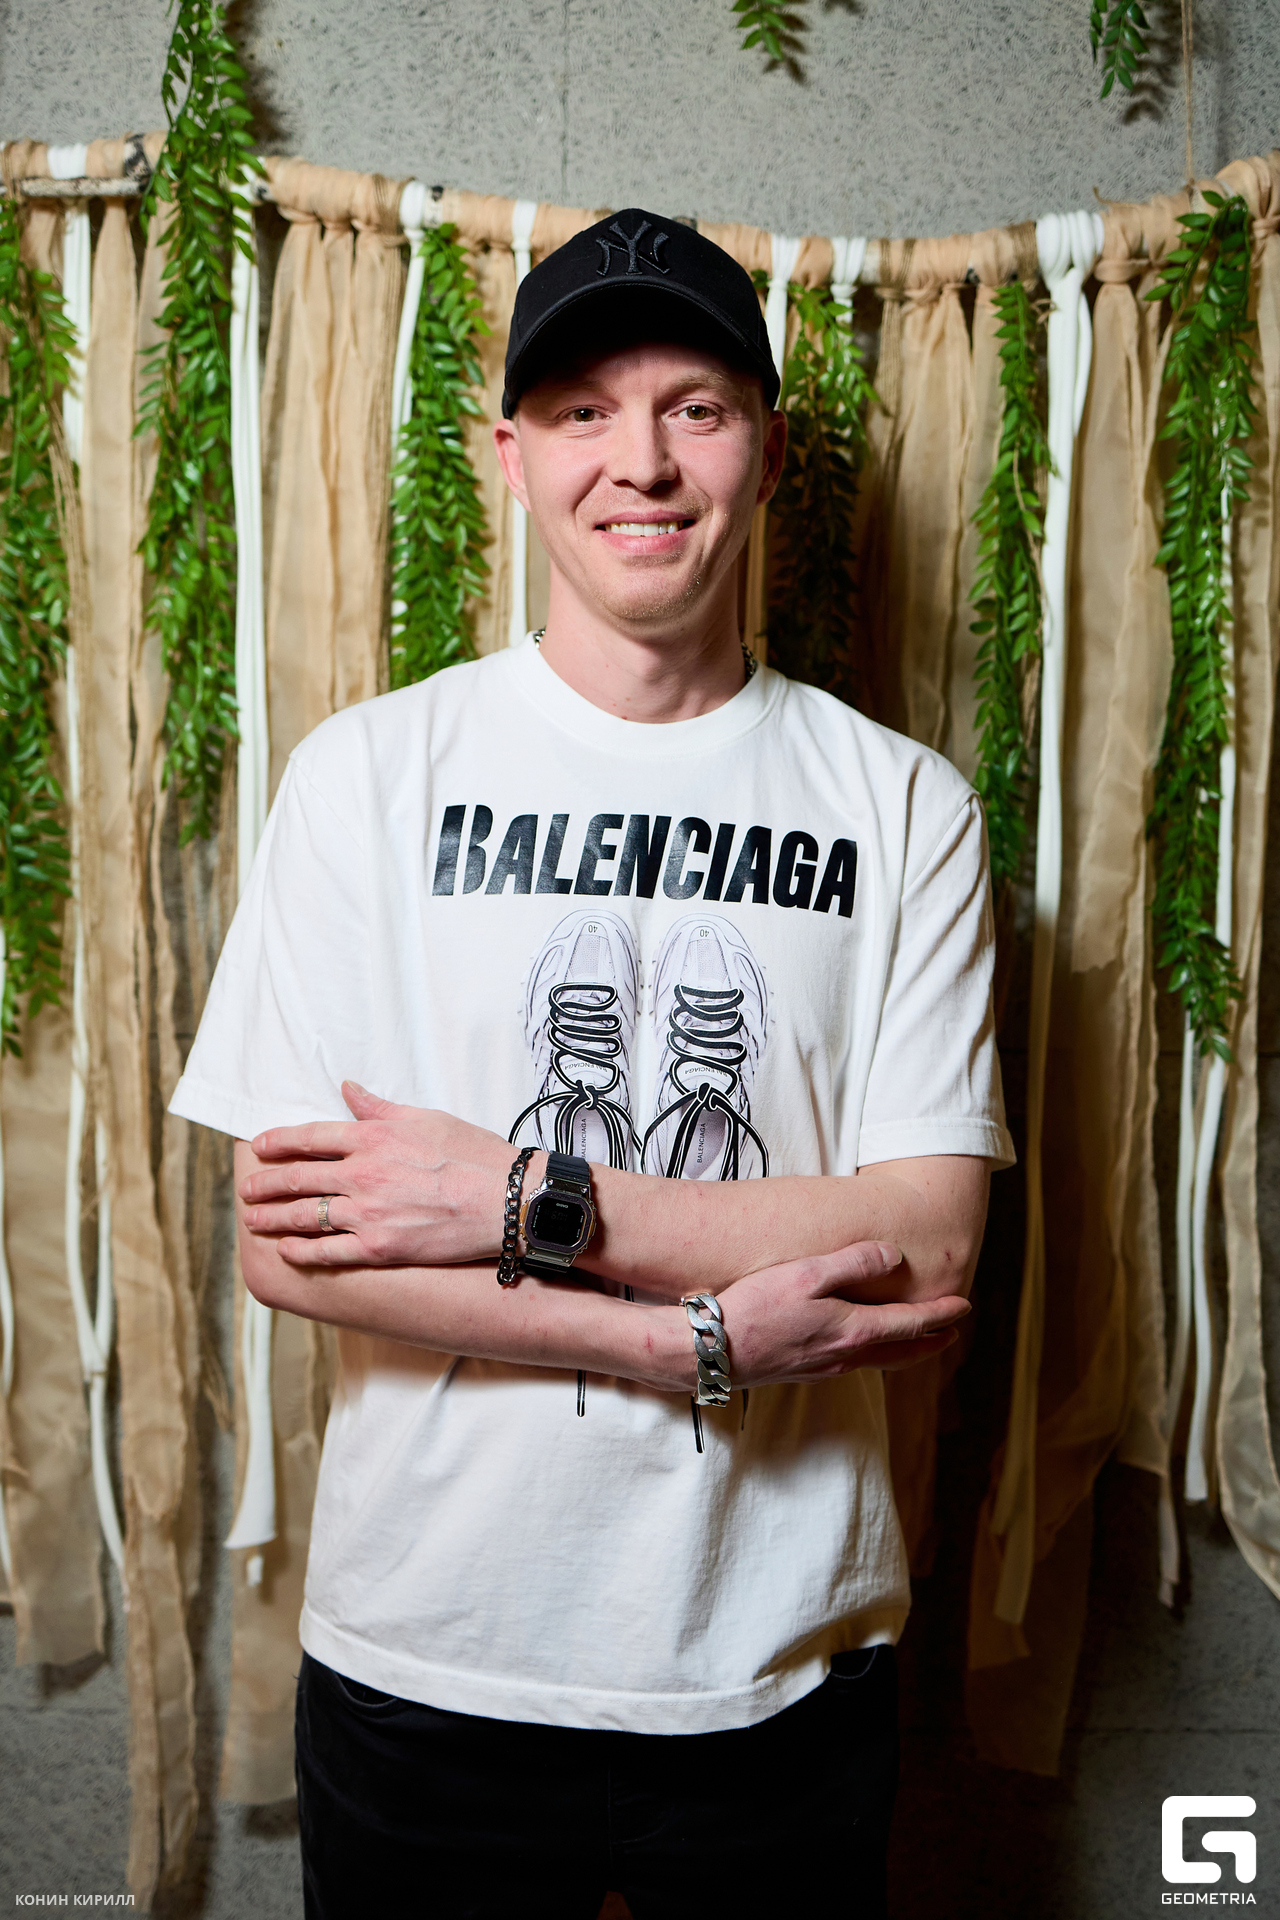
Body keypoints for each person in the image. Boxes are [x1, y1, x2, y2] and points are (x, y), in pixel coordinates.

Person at [171, 208, 1013, 1919]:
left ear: (767, 449)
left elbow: (925, 1248)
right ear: (510, 458)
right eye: (582, 411)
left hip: (781, 1668)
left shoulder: (903, 806)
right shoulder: (369, 779)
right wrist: (696, 1336)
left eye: (696, 407)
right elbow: (292, 1248)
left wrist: (513, 1194)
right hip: (428, 1664)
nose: (642, 461)